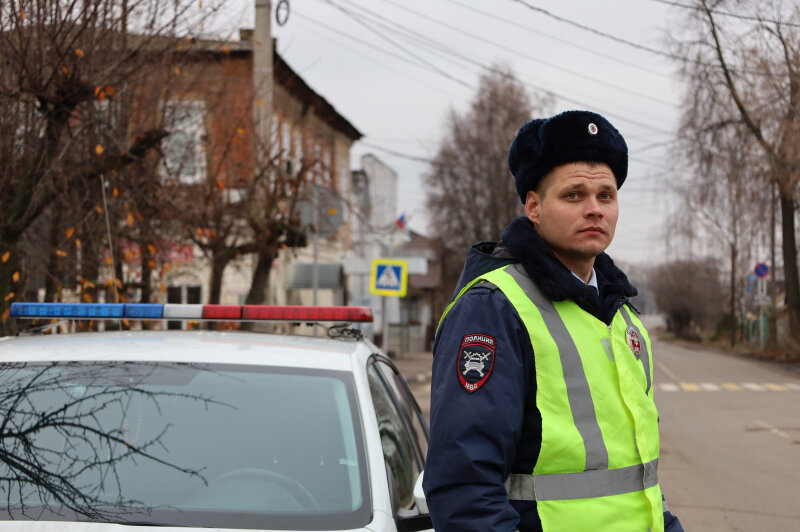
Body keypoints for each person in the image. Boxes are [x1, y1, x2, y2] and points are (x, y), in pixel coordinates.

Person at [422, 110, 684, 532]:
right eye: (574, 195)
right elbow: (465, 488)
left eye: (606, 195)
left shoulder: (621, 315)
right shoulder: (494, 308)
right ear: (534, 207)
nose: (595, 210)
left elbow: (638, 477)